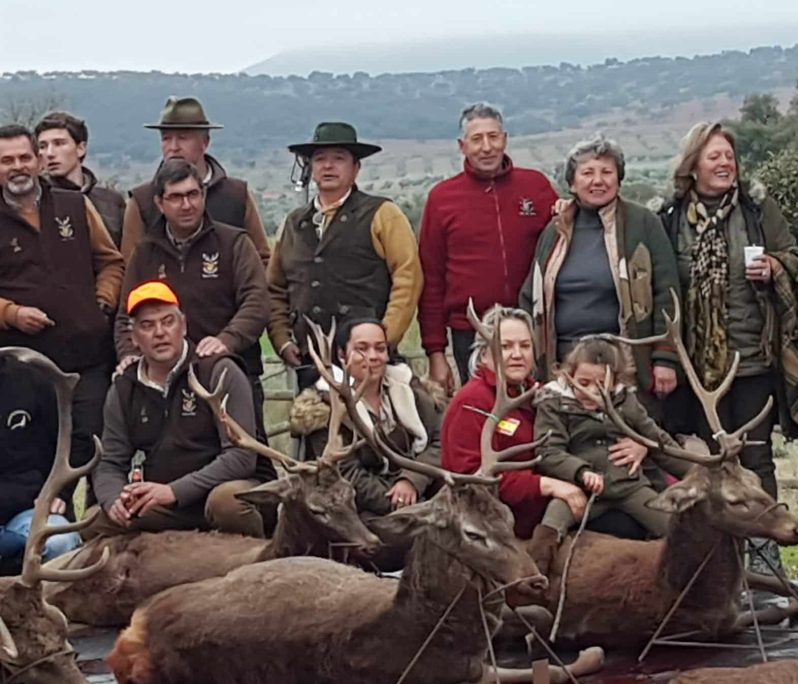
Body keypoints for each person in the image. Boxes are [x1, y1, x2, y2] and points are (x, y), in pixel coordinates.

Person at [658, 121, 798, 574]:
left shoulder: (758, 210)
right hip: (699, 372)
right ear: (693, 166)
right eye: (714, 156)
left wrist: (775, 267)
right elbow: (659, 285)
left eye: (729, 156)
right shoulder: (669, 218)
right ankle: (715, 563)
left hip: (754, 362)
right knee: (708, 462)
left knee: (756, 458)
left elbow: (797, 258)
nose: (725, 163)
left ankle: (764, 561)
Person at [441, 305, 651, 541]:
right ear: (483, 355)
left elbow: (592, 431)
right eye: (505, 346)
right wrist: (547, 486)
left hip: (569, 497)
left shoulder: (542, 394)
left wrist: (640, 444)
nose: (517, 354)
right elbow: (472, 480)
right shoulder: (471, 403)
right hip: (504, 528)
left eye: (525, 345)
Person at [0, 124, 123, 509]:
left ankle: (87, 530)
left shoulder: (74, 205)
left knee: (89, 443)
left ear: (38, 160)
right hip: (24, 367)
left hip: (87, 358)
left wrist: (101, 302)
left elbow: (111, 262)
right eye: (6, 160)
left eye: (24, 157)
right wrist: (11, 313)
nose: (17, 167)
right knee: (39, 454)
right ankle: (46, 533)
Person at [88, 282, 266, 538]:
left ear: (183, 326)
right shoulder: (124, 388)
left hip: (219, 492)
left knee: (227, 502)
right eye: (147, 325)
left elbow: (241, 458)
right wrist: (114, 499)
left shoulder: (218, 371)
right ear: (133, 338)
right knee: (94, 521)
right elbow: (110, 463)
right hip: (165, 503)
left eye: (168, 321)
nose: (159, 332)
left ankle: (259, 558)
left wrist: (174, 491)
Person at [519, 134, 681, 414]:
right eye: (587, 173)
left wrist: (666, 359)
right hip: (564, 369)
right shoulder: (554, 232)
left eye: (607, 172)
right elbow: (530, 296)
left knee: (628, 436)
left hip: (625, 367)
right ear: (572, 183)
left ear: (619, 179)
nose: (598, 180)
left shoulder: (643, 224)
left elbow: (667, 292)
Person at [112, 160, 271, 439]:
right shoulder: (145, 253)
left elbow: (257, 301)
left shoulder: (233, 243)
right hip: (166, 386)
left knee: (243, 456)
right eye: (175, 197)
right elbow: (127, 315)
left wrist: (227, 340)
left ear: (203, 195)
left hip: (228, 376)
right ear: (160, 203)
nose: (186, 205)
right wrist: (128, 355)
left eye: (192, 194)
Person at [267, 122, 422, 389]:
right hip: (310, 362)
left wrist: (382, 341)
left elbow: (408, 278)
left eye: (338, 159)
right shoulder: (293, 223)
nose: (328, 166)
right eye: (320, 159)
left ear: (356, 168)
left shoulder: (383, 214)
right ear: (311, 168)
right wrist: (282, 341)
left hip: (369, 365)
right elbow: (275, 289)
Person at [418, 103, 558, 389]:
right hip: (472, 331)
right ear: (462, 146)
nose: (486, 147)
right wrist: (435, 352)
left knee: (536, 404)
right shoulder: (442, 199)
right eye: (477, 139)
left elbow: (562, 247)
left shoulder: (536, 187)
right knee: (483, 407)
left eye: (493, 137)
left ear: (504, 140)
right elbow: (431, 278)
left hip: (532, 327)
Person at [529, 338, 694, 572]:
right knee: (549, 530)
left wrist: (698, 471)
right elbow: (548, 451)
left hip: (629, 486)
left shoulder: (626, 401)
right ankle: (534, 578)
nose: (590, 391)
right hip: (580, 490)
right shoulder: (554, 403)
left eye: (600, 384)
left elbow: (658, 441)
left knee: (677, 531)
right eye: (583, 383)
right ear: (569, 375)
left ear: (615, 382)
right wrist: (580, 472)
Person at [288, 318, 442, 517]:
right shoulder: (325, 408)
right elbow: (347, 475)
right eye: (362, 349)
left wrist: (411, 481)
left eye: (380, 348)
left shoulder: (412, 392)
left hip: (418, 495)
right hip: (359, 512)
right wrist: (399, 505)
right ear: (342, 355)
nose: (373, 356)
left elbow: (440, 441)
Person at [120, 97, 271, 265]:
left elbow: (262, 260)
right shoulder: (143, 201)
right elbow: (130, 265)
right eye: (166, 138)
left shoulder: (236, 195)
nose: (173, 147)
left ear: (205, 142)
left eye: (183, 138)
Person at [0, 355, 81, 565]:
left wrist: (60, 492)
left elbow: (73, 440)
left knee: (60, 542)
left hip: (26, 513)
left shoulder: (31, 382)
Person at [34, 111, 126, 247]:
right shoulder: (36, 202)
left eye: (59, 144)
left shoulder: (111, 201)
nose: (49, 153)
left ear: (80, 149)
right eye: (42, 146)